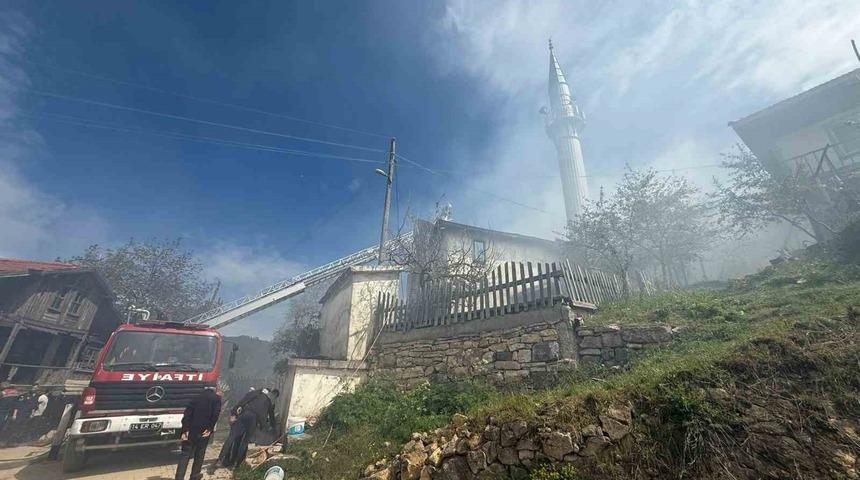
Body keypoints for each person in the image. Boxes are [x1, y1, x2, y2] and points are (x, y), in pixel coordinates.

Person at [218, 388, 278, 469]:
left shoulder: (257, 393)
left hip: (245, 414)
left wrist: (234, 413)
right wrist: (273, 428)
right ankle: (237, 464)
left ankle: (220, 459)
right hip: (254, 419)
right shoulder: (270, 402)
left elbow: (244, 400)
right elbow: (271, 417)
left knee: (232, 437)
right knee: (245, 441)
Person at [175, 386, 221, 480]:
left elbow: (187, 415)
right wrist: (210, 428)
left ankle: (179, 477)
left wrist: (185, 430)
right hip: (204, 431)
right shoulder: (216, 399)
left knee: (185, 455)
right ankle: (194, 476)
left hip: (191, 430)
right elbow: (215, 415)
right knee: (199, 454)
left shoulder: (196, 397)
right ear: (214, 390)